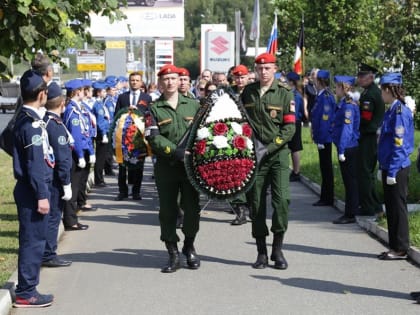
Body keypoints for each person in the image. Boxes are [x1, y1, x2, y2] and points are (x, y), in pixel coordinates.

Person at [241, 53, 296, 270]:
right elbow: (241, 122)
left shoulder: (284, 93)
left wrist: (270, 147)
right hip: (255, 157)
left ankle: (277, 249)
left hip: (278, 156)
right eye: (260, 69)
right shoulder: (248, 92)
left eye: (267, 68)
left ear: (275, 69)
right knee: (256, 204)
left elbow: (290, 127)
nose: (263, 72)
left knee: (282, 202)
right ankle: (261, 251)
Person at [145, 64, 201, 273]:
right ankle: (173, 252)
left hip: (189, 167)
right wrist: (174, 151)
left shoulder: (193, 105)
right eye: (165, 79)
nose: (169, 82)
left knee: (192, 210)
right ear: (160, 84)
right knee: (168, 212)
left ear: (180, 81)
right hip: (167, 167)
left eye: (173, 78)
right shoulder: (153, 108)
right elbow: (153, 136)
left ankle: (189, 245)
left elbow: (202, 133)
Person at [12, 69, 54, 307]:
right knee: (33, 241)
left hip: (28, 187)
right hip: (32, 190)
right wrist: (42, 195)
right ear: (41, 94)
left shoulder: (24, 118)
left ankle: (28, 288)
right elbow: (35, 163)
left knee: (32, 239)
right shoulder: (33, 125)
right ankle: (27, 292)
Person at [377, 72, 414, 260]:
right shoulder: (391, 110)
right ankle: (394, 245)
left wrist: (391, 170)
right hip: (389, 165)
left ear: (388, 90)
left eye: (382, 90)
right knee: (391, 208)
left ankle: (400, 248)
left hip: (397, 168)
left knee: (397, 208)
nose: (381, 94)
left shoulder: (399, 112)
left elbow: (399, 145)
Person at [42, 82, 73, 267]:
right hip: (55, 180)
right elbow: (62, 158)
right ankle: (49, 254)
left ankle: (46, 251)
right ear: (62, 103)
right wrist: (66, 183)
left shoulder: (45, 121)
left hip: (48, 177)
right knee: (53, 217)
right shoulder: (55, 125)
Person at [114, 71, 152, 201]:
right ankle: (122, 191)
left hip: (139, 138)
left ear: (141, 82)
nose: (134, 82)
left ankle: (136, 191)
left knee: (138, 166)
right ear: (129, 82)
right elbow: (116, 116)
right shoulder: (122, 97)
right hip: (124, 138)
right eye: (132, 80)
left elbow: (149, 116)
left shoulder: (147, 98)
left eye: (137, 80)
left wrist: (138, 112)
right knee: (122, 165)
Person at [62, 79, 92, 231]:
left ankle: (72, 218)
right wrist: (80, 155)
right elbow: (75, 136)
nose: (84, 92)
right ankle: (70, 220)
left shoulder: (76, 108)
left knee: (75, 186)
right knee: (72, 190)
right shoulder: (72, 111)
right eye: (81, 89)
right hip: (74, 154)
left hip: (78, 152)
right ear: (76, 92)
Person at [357, 63, 385, 218]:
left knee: (365, 172)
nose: (359, 79)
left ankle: (370, 206)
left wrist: (355, 118)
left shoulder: (370, 94)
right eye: (359, 76)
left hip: (368, 136)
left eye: (362, 76)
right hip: (370, 136)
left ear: (371, 77)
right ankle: (373, 205)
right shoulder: (370, 91)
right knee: (367, 172)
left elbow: (366, 119)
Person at [331, 76, 360, 224]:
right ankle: (350, 211)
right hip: (346, 147)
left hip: (348, 147)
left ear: (343, 87)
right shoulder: (344, 103)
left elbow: (347, 130)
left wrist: (341, 149)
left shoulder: (348, 106)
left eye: (336, 87)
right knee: (349, 181)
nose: (335, 90)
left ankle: (350, 214)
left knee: (350, 182)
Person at [227, 64, 251, 226]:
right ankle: (240, 209)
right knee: (234, 173)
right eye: (237, 77)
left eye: (243, 77)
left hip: (252, 135)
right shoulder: (229, 93)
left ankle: (252, 206)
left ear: (248, 77)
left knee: (250, 172)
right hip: (233, 135)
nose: (240, 80)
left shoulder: (255, 91)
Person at [310, 69, 336, 207]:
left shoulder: (325, 96)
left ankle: (328, 197)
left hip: (324, 138)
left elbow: (325, 119)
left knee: (326, 168)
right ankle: (325, 196)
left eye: (315, 78)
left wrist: (321, 139)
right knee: (324, 167)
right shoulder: (320, 95)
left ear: (319, 81)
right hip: (321, 137)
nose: (313, 80)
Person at [286, 72, 306, 182]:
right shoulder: (293, 93)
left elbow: (296, 111)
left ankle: (296, 171)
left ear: (291, 82)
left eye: (287, 80)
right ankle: (294, 170)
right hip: (292, 121)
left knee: (295, 148)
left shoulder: (294, 95)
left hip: (294, 122)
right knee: (293, 147)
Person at [92, 80, 111, 187]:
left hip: (104, 132)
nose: (105, 93)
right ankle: (99, 179)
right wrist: (103, 133)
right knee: (100, 157)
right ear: (98, 92)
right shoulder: (98, 105)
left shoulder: (100, 103)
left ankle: (99, 178)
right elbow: (100, 121)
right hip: (101, 134)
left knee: (102, 157)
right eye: (103, 91)